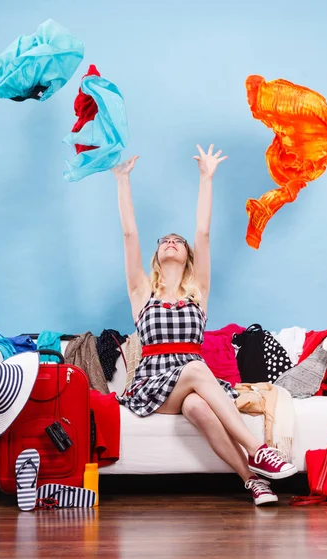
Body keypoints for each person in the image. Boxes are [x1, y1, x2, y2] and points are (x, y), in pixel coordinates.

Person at [112, 144, 297, 506]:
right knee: (196, 368)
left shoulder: (199, 291)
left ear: (187, 257)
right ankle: (259, 450)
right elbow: (130, 236)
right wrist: (122, 181)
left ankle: (253, 481)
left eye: (178, 242)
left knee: (198, 407)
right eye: (165, 241)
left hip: (192, 385)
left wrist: (206, 178)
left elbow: (203, 233)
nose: (171, 242)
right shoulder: (141, 292)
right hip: (154, 385)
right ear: (156, 255)